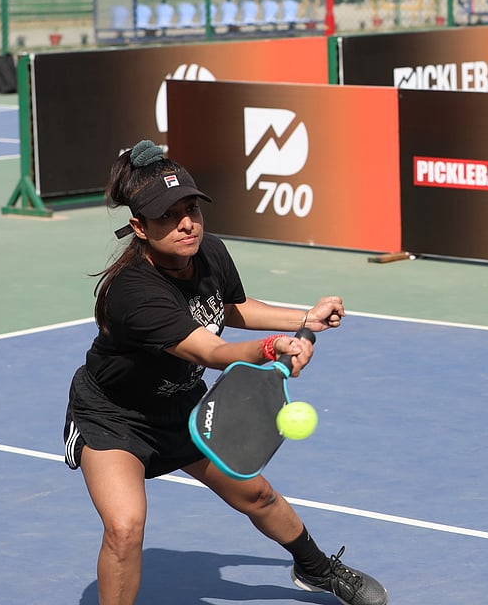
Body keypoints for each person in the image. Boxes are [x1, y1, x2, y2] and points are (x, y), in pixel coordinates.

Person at [63, 139, 388, 605]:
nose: (186, 223)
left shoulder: (209, 251)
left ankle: (315, 569)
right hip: (115, 417)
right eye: (167, 216)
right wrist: (276, 346)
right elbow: (211, 352)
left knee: (256, 495)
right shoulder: (133, 291)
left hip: (182, 407)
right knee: (125, 527)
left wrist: (303, 319)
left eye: (191, 208)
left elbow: (232, 307)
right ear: (138, 226)